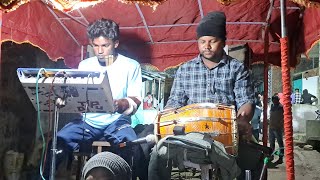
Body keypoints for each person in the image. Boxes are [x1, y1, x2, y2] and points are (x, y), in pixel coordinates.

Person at [148, 11, 256, 180]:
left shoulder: (236, 68)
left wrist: (243, 120)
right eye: (202, 41)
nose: (207, 46)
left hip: (225, 133)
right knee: (158, 153)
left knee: (253, 160)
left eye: (212, 41)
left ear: (223, 42)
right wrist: (166, 116)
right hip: (190, 135)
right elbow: (175, 100)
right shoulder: (185, 69)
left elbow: (246, 101)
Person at [44, 19, 142, 178]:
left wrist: (119, 104)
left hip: (116, 121)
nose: (100, 51)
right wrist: (67, 100)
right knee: (56, 142)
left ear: (115, 43)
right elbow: (76, 93)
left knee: (133, 146)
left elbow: (135, 99)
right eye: (95, 46)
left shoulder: (131, 66)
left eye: (105, 45)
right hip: (87, 121)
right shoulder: (85, 65)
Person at [269, 95, 284, 164]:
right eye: (273, 100)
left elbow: (282, 118)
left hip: (278, 128)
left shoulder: (281, 107)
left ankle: (281, 158)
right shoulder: (272, 106)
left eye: (275, 100)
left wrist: (280, 125)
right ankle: (271, 156)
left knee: (280, 143)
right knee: (271, 143)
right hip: (272, 127)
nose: (274, 101)